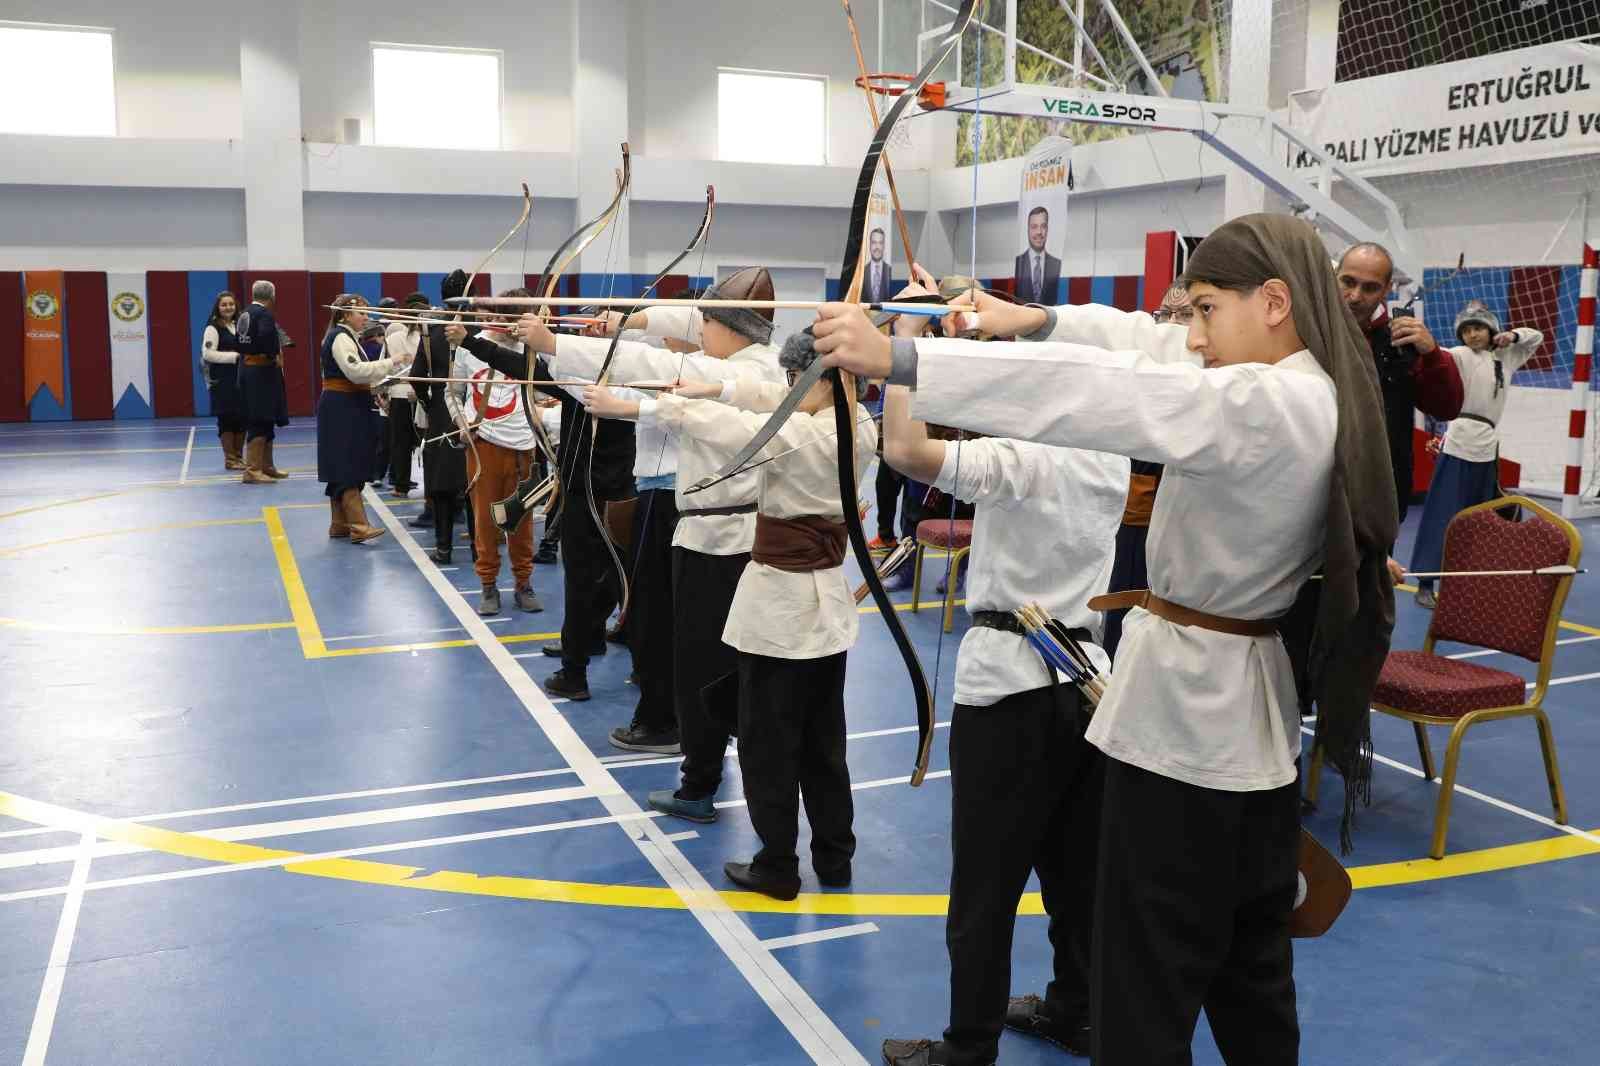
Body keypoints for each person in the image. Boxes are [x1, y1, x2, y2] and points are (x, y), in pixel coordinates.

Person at [816, 212, 1398, 1066]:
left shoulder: (1264, 402)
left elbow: (1119, 391)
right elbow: (1138, 350)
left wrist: (902, 358)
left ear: (1274, 302)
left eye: (1204, 311)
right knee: (1248, 973)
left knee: (1142, 982)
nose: (1190, 336)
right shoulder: (1302, 379)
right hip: (1242, 728)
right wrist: (1035, 320)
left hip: (1188, 733)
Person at [874, 274, 1129, 1066]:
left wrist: (904, 351)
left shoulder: (1026, 461)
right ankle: (1076, 1008)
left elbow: (903, 449)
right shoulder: (1108, 456)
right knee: (1073, 870)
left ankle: (968, 1045)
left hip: (1012, 688)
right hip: (1088, 683)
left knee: (984, 884)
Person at [582, 327, 876, 900]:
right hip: (823, 613)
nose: (787, 387)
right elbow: (772, 401)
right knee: (824, 743)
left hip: (783, 612)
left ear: (827, 379)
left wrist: (662, 404)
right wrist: (714, 385)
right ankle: (835, 859)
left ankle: (777, 865)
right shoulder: (855, 421)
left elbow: (748, 428)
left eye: (798, 378)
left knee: (769, 747)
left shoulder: (803, 437)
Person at [517, 266, 783, 811]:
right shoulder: (748, 357)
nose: (699, 328)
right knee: (715, 662)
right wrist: (623, 320)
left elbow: (657, 365)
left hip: (720, 539)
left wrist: (553, 343)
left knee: (700, 662)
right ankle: (705, 776)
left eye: (707, 321)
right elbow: (674, 336)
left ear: (728, 327)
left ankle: (701, 779)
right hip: (726, 534)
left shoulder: (738, 372)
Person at [456, 304, 639, 701]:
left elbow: (528, 369)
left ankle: (574, 672)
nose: (587, 332)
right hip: (621, 490)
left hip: (588, 491)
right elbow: (531, 368)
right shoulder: (634, 370)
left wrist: (473, 341)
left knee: (584, 580)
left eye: (595, 325)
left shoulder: (591, 374)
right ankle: (597, 643)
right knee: (617, 572)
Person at [1408, 301, 1543, 607]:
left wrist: (1512, 336)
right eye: (1466, 330)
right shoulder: (1458, 355)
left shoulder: (1506, 358)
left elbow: (1536, 337)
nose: (1472, 334)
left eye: (1478, 327)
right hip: (1457, 443)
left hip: (1487, 447)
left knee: (1480, 520)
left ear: (1490, 330)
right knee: (1443, 514)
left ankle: (1468, 584)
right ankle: (1426, 584)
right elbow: (1432, 356)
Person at [1335, 242, 1463, 523]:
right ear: (1334, 275)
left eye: (1369, 288)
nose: (1355, 296)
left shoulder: (1401, 342)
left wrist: (1432, 355)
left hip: (1379, 496)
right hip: (1315, 492)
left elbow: (1447, 407)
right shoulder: (1306, 331)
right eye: (1348, 282)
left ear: (1387, 289)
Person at [1103, 282, 1197, 660]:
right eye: (1164, 314)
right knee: (1121, 627)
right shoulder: (1139, 371)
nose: (1171, 323)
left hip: (1191, 531)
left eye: (1185, 315)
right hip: (1134, 522)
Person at [451, 290, 545, 616]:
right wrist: (461, 422)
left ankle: (523, 583)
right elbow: (454, 393)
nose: (510, 323)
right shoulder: (470, 348)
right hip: (484, 445)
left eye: (519, 316)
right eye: (506, 315)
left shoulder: (532, 347)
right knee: (485, 520)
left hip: (524, 446)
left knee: (522, 521)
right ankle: (488, 584)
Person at [316, 295, 410, 544]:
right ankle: (358, 525)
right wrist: (393, 362)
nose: (367, 318)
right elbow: (355, 372)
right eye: (362, 314)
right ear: (346, 315)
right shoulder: (341, 337)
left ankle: (339, 524)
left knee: (343, 460)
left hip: (349, 404)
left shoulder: (346, 338)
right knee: (347, 462)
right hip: (342, 407)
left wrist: (378, 388)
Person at [417, 273, 474, 564]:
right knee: (475, 481)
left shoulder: (433, 330)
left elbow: (417, 375)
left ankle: (443, 548)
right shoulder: (481, 327)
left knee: (442, 484)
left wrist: (429, 403)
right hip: (478, 407)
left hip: (441, 407)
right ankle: (480, 549)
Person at [234, 280, 291, 485]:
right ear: (272, 297)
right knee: (259, 418)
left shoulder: (244, 313)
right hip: (262, 372)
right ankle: (253, 470)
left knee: (266, 417)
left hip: (247, 370)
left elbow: (237, 341)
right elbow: (267, 337)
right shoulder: (265, 314)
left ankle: (266, 466)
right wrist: (273, 354)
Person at [198, 291, 245, 471]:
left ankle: (239, 458)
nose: (228, 307)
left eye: (231, 304)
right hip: (222, 381)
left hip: (241, 379)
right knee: (226, 418)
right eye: (224, 304)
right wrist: (234, 356)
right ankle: (230, 459)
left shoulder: (239, 325)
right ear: (218, 307)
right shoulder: (212, 328)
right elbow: (207, 354)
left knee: (242, 417)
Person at [1013, 206, 1062, 305]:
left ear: (1047, 229)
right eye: (1034, 227)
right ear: (1028, 230)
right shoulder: (1017, 263)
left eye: (1043, 226)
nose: (1039, 232)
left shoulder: (1057, 264)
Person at [864, 228, 893, 304]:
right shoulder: (862, 272)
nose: (877, 247)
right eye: (874, 242)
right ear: (869, 245)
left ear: (884, 246)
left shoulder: (890, 271)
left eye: (880, 243)